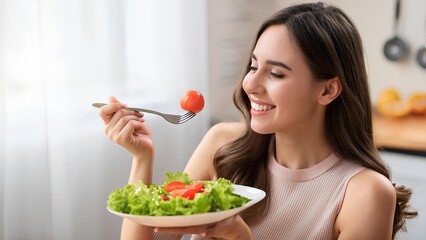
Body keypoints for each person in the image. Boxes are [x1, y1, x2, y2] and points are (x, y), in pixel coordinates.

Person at [98, 2, 417, 240]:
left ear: (328, 89)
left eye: (276, 73)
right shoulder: (222, 145)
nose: (250, 84)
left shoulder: (365, 193)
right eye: (253, 66)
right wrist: (142, 157)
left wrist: (240, 237)